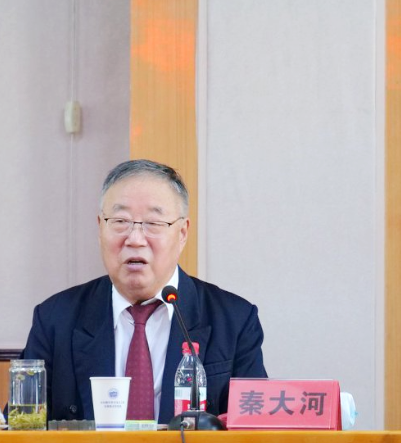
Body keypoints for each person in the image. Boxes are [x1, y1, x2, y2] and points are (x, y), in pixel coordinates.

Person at [22, 159, 267, 424]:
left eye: (153, 223)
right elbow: (19, 428)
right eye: (120, 221)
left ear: (182, 233)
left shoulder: (234, 320)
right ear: (100, 227)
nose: (135, 239)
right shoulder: (55, 319)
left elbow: (254, 430)